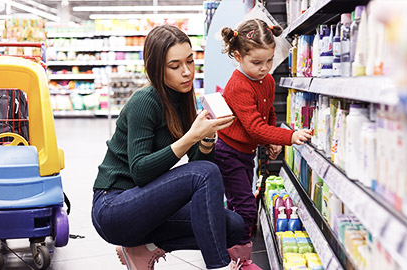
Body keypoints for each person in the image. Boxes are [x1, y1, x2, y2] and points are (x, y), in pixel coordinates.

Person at [91, 24, 245, 270]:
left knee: (233, 226)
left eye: (190, 62)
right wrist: (190, 137)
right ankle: (219, 267)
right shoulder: (144, 101)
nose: (187, 72)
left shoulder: (184, 101)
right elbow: (140, 171)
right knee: (205, 173)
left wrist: (206, 137)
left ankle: (145, 249)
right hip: (114, 208)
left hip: (148, 207)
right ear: (156, 68)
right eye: (175, 66)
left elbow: (199, 170)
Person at [215, 19, 312, 269]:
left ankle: (229, 245)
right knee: (246, 208)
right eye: (256, 63)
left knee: (239, 203)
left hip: (246, 154)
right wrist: (288, 137)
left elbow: (268, 113)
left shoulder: (266, 80)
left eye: (269, 61)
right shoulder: (237, 86)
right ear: (237, 56)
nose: (264, 68)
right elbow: (255, 127)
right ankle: (241, 259)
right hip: (229, 153)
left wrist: (271, 140)